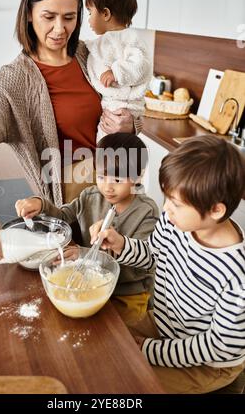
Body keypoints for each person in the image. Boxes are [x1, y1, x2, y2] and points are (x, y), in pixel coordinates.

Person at [0, 0, 138, 267]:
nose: (59, 29)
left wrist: (131, 124)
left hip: (117, 192)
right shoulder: (14, 80)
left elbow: (125, 98)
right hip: (70, 209)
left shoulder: (88, 55)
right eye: (48, 17)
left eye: (69, 17)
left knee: (126, 283)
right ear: (28, 14)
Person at [89, 135, 245, 394]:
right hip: (164, 324)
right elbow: (152, 254)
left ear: (216, 210)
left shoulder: (237, 275)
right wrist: (120, 244)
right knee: (102, 348)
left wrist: (150, 350)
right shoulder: (176, 221)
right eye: (167, 199)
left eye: (176, 203)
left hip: (207, 362)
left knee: (126, 384)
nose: (167, 209)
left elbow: (219, 345)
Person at [15, 132, 159, 325]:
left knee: (118, 337)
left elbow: (140, 263)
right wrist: (42, 205)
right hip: (86, 281)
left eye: (117, 180)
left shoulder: (146, 212)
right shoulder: (90, 196)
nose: (107, 187)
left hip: (127, 294)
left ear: (138, 176)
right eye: (101, 176)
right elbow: (64, 217)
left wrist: (85, 254)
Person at [85, 0, 152, 141]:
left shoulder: (129, 38)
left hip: (124, 106)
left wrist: (116, 72)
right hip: (110, 106)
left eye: (90, 13)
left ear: (106, 14)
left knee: (113, 152)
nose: (88, 20)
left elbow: (140, 65)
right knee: (105, 150)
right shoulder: (100, 42)